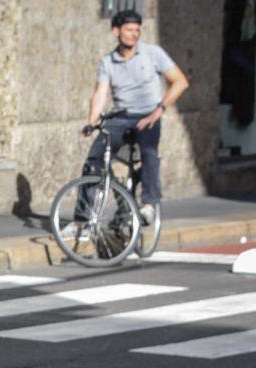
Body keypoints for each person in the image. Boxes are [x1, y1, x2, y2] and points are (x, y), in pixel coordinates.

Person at [85, 9, 188, 224]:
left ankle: (148, 204)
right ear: (116, 31)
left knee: (149, 154)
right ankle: (83, 220)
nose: (134, 34)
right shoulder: (108, 62)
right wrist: (92, 121)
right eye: (129, 30)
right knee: (95, 159)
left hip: (147, 116)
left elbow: (180, 81)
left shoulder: (153, 53)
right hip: (120, 117)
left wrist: (159, 109)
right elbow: (100, 93)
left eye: (137, 30)